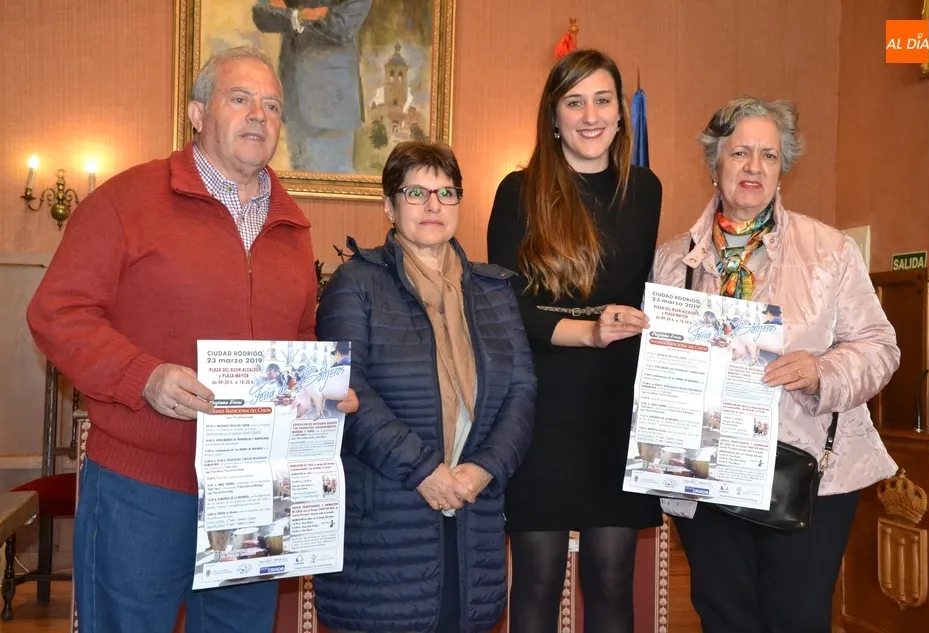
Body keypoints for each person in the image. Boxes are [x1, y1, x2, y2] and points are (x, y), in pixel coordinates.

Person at [26, 46, 357, 633]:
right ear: (197, 113)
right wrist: (144, 377)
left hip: (253, 491)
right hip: (143, 489)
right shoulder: (127, 200)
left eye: (272, 106)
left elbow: (300, 336)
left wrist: (321, 394)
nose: (258, 115)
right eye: (240, 98)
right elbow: (57, 312)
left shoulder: (293, 227)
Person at [651, 96, 899, 633]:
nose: (754, 167)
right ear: (714, 163)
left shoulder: (829, 250)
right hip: (705, 470)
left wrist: (822, 371)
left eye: (768, 155)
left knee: (796, 618)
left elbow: (880, 346)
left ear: (783, 166)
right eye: (740, 152)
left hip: (807, 473)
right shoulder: (672, 259)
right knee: (724, 617)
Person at [314, 140, 537, 633]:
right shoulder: (356, 283)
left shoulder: (494, 290)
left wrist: (485, 469)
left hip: (474, 514)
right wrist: (424, 471)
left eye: (446, 192)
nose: (433, 205)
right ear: (389, 206)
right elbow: (344, 391)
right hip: (386, 519)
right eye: (416, 192)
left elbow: (521, 392)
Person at [487, 48, 663, 633]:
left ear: (620, 112)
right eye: (575, 102)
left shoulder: (645, 190)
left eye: (603, 100)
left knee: (612, 579)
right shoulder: (518, 191)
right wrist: (588, 332)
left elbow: (645, 292)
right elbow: (505, 306)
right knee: (537, 578)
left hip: (616, 406)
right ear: (554, 116)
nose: (591, 116)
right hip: (541, 405)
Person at [252, 0, 372, 173]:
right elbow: (262, 15)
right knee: (301, 178)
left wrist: (289, 17)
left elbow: (342, 27)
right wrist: (300, 16)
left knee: (333, 180)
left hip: (331, 104)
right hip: (293, 99)